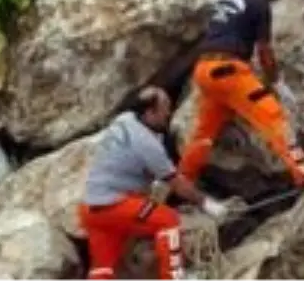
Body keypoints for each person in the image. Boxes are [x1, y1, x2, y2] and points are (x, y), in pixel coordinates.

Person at [177, 0, 304, 189]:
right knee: (272, 115)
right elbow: (264, 49)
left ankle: (183, 180)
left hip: (204, 71)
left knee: (205, 133)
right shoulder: (259, 2)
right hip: (230, 71)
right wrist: (275, 81)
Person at [80, 87, 229, 281]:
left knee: (103, 267)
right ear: (149, 112)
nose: (169, 113)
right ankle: (174, 277)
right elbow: (176, 183)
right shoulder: (147, 145)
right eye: (165, 108)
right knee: (168, 220)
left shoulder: (124, 119)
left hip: (90, 209)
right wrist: (207, 204)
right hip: (115, 204)